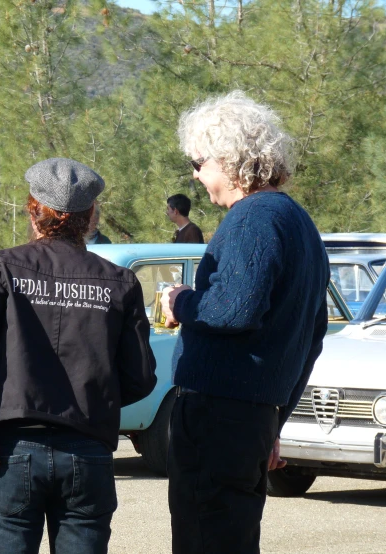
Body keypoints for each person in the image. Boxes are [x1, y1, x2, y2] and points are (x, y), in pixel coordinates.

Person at [0, 157, 157, 554]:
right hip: (87, 448)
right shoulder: (120, 282)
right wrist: (91, 398)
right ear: (90, 216)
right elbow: (141, 377)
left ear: (33, 210)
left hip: (9, 449)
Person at [160, 91, 329, 554]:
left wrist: (183, 302)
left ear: (229, 159)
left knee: (203, 537)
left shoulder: (251, 218)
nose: (195, 175)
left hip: (217, 415)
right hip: (251, 417)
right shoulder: (301, 224)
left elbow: (232, 310)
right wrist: (276, 419)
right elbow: (311, 338)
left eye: (199, 162)